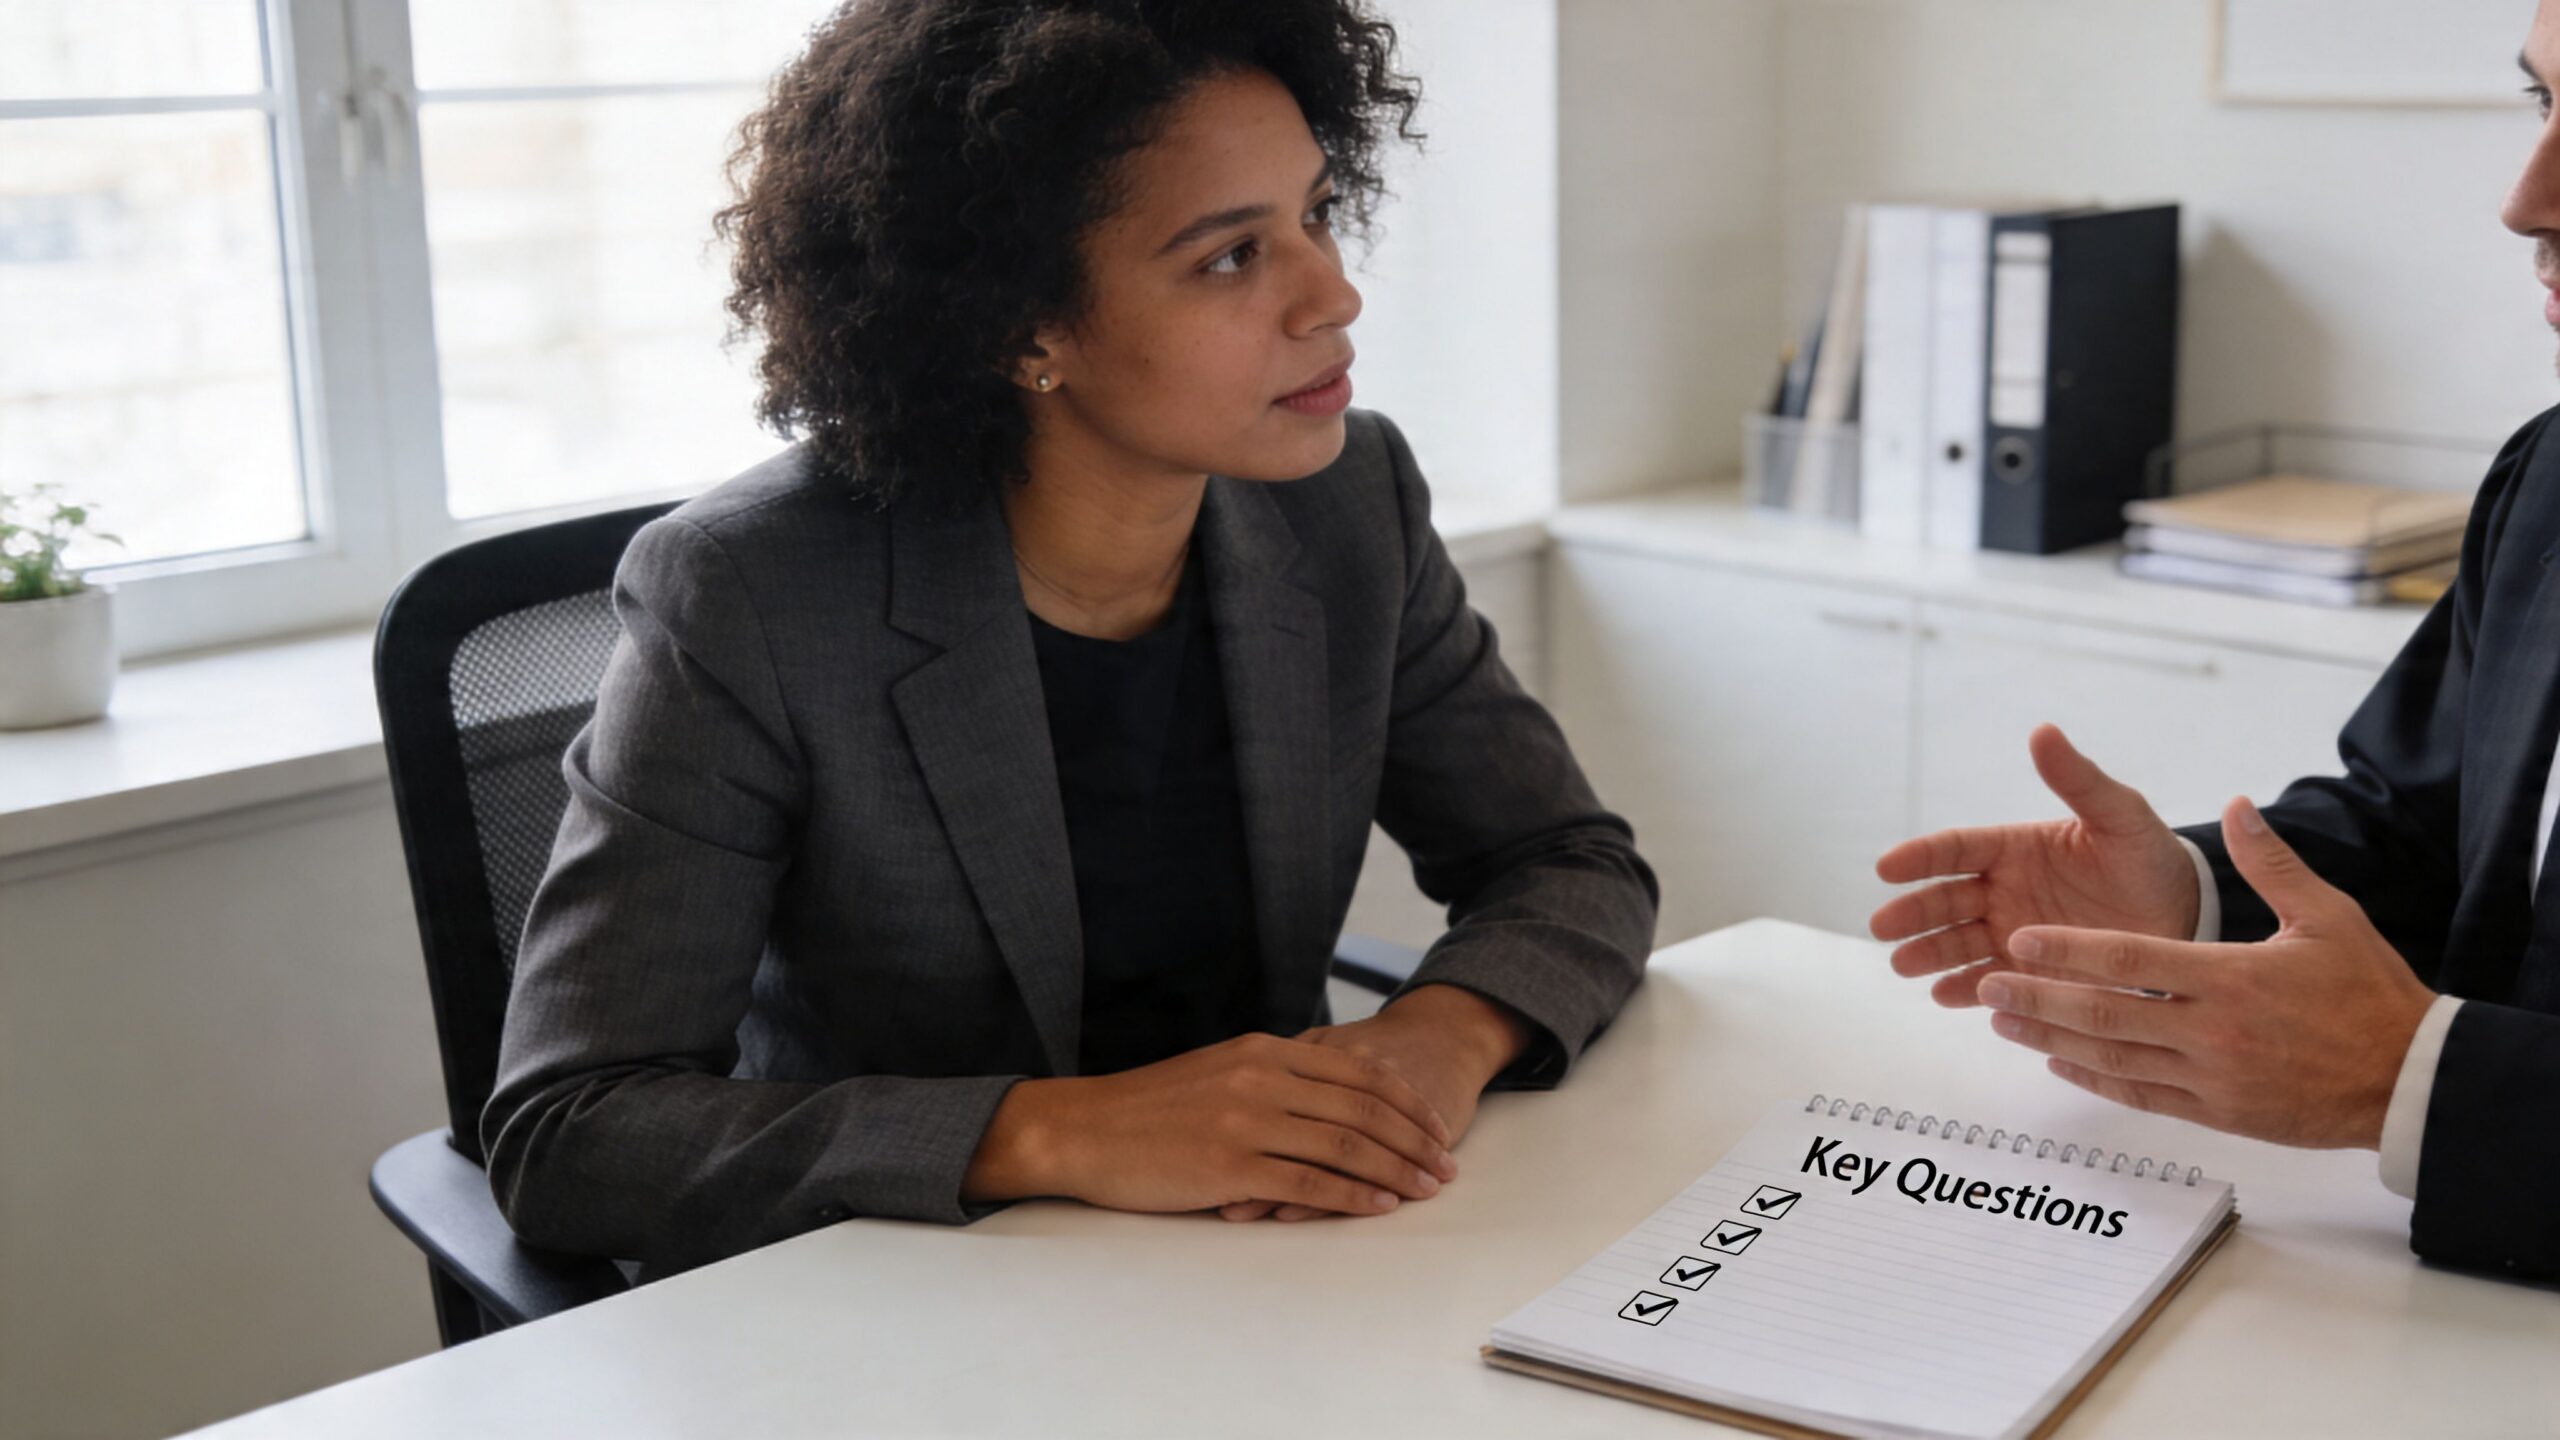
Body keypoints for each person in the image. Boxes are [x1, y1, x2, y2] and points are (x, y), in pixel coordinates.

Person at [481, 0, 1659, 1278]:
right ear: (1021, 330)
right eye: (1229, 258)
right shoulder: (751, 594)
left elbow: (1565, 860)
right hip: (910, 1296)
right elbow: (575, 1133)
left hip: (1276, 1268)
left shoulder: (1344, 503)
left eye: (1315, 214)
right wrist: (1058, 1135)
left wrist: (1433, 1036)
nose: (1333, 292)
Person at [1868, 4, 2560, 1283]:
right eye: (2540, 105)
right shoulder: (2550, 474)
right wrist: (2191, 898)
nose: (2524, 202)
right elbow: (2424, 830)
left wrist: (2408, 1083)